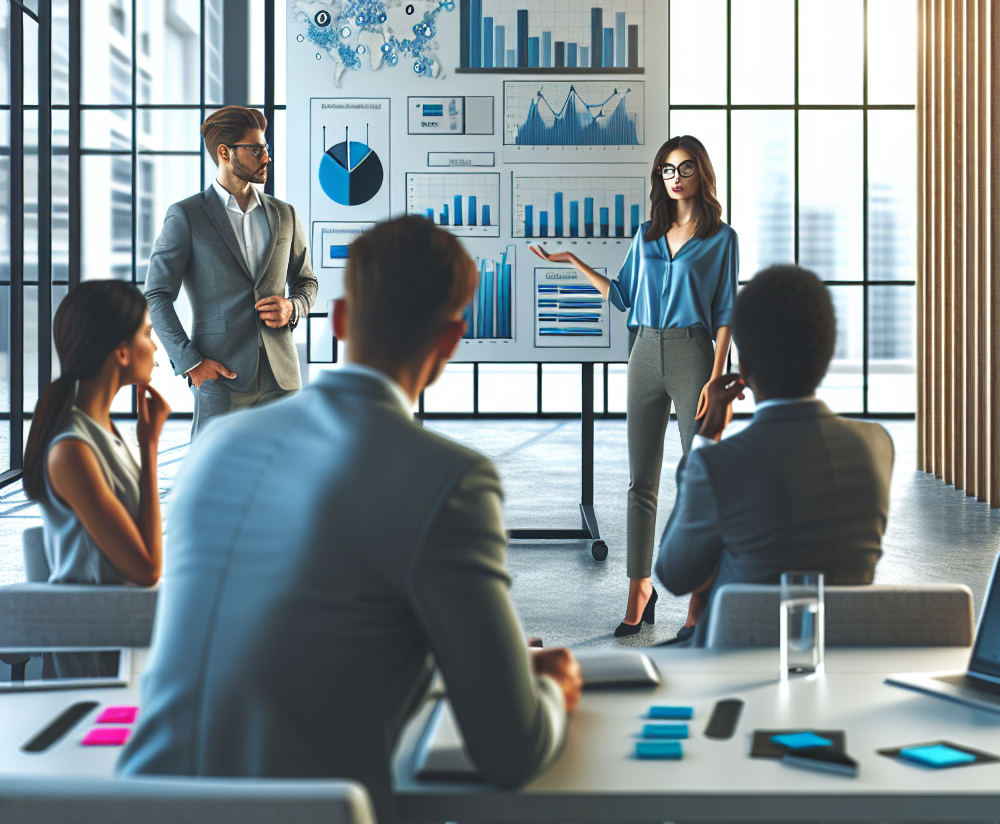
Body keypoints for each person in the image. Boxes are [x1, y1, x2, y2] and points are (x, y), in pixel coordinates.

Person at [118, 215, 582, 823]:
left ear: (339, 322)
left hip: (135, 806)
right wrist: (549, 687)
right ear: (450, 341)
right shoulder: (449, 479)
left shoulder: (217, 447)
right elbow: (509, 751)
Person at [531, 136, 738, 638]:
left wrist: (715, 377)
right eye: (667, 169)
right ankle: (638, 592)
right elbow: (622, 296)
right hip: (643, 352)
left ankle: (699, 602)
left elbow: (728, 313)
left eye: (685, 167)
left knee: (701, 482)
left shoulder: (721, 238)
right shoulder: (645, 235)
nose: (675, 177)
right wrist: (571, 261)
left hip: (693, 352)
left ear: (701, 173)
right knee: (639, 484)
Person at [655, 263, 894, 647]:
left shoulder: (717, 465)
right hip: (845, 660)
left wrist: (707, 437)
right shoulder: (878, 444)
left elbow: (674, 573)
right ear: (826, 355)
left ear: (744, 369)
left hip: (736, 662)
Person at [144, 105, 318, 436]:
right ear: (225, 153)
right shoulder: (186, 216)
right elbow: (157, 294)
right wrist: (190, 363)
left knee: (285, 474)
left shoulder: (285, 215)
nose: (266, 157)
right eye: (256, 149)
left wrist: (292, 307)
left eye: (265, 148)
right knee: (215, 477)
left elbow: (306, 281)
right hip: (220, 377)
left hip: (282, 377)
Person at [21, 280, 169, 586]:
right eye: (147, 333)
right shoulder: (72, 450)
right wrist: (150, 446)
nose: (155, 346)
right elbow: (149, 570)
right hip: (103, 618)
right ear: (122, 353)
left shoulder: (101, 427)